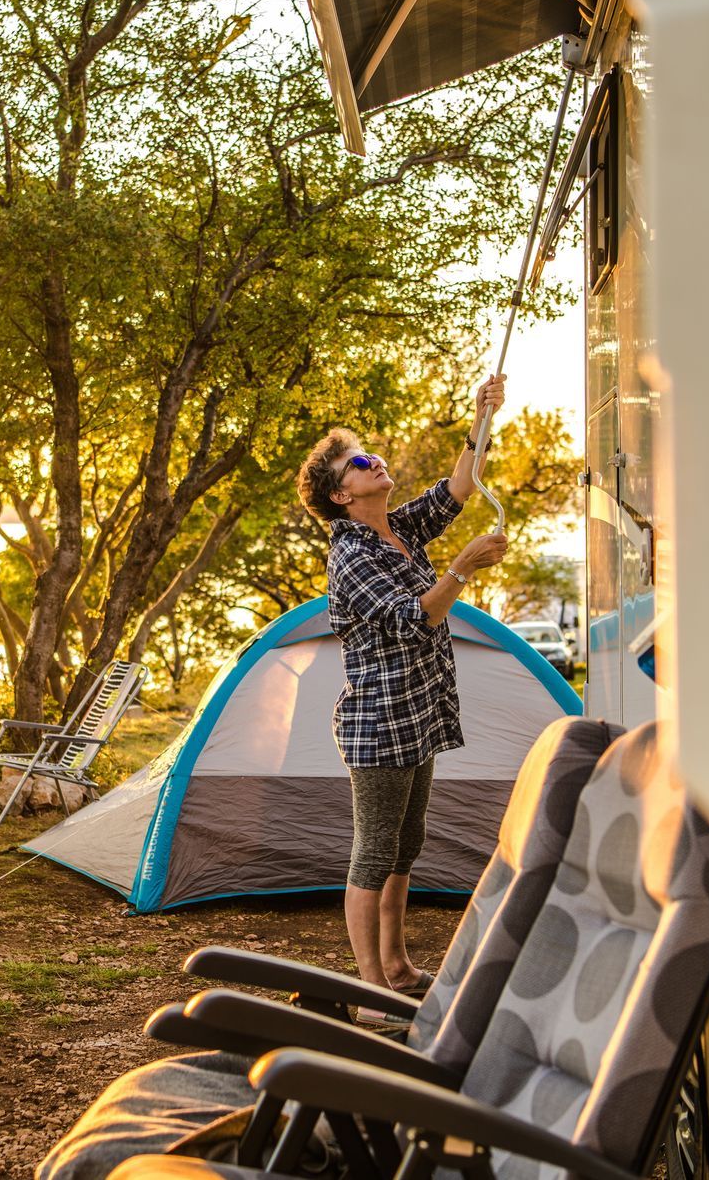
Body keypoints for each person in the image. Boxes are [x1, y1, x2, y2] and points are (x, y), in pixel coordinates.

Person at [296, 375, 510, 1024]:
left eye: (371, 453)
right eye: (358, 461)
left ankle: (396, 964)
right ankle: (371, 993)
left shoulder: (397, 530)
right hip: (380, 725)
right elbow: (417, 616)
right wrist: (463, 567)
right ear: (342, 493)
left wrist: (481, 416)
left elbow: (459, 489)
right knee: (374, 849)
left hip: (417, 713)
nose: (374, 460)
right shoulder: (351, 555)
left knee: (406, 842)